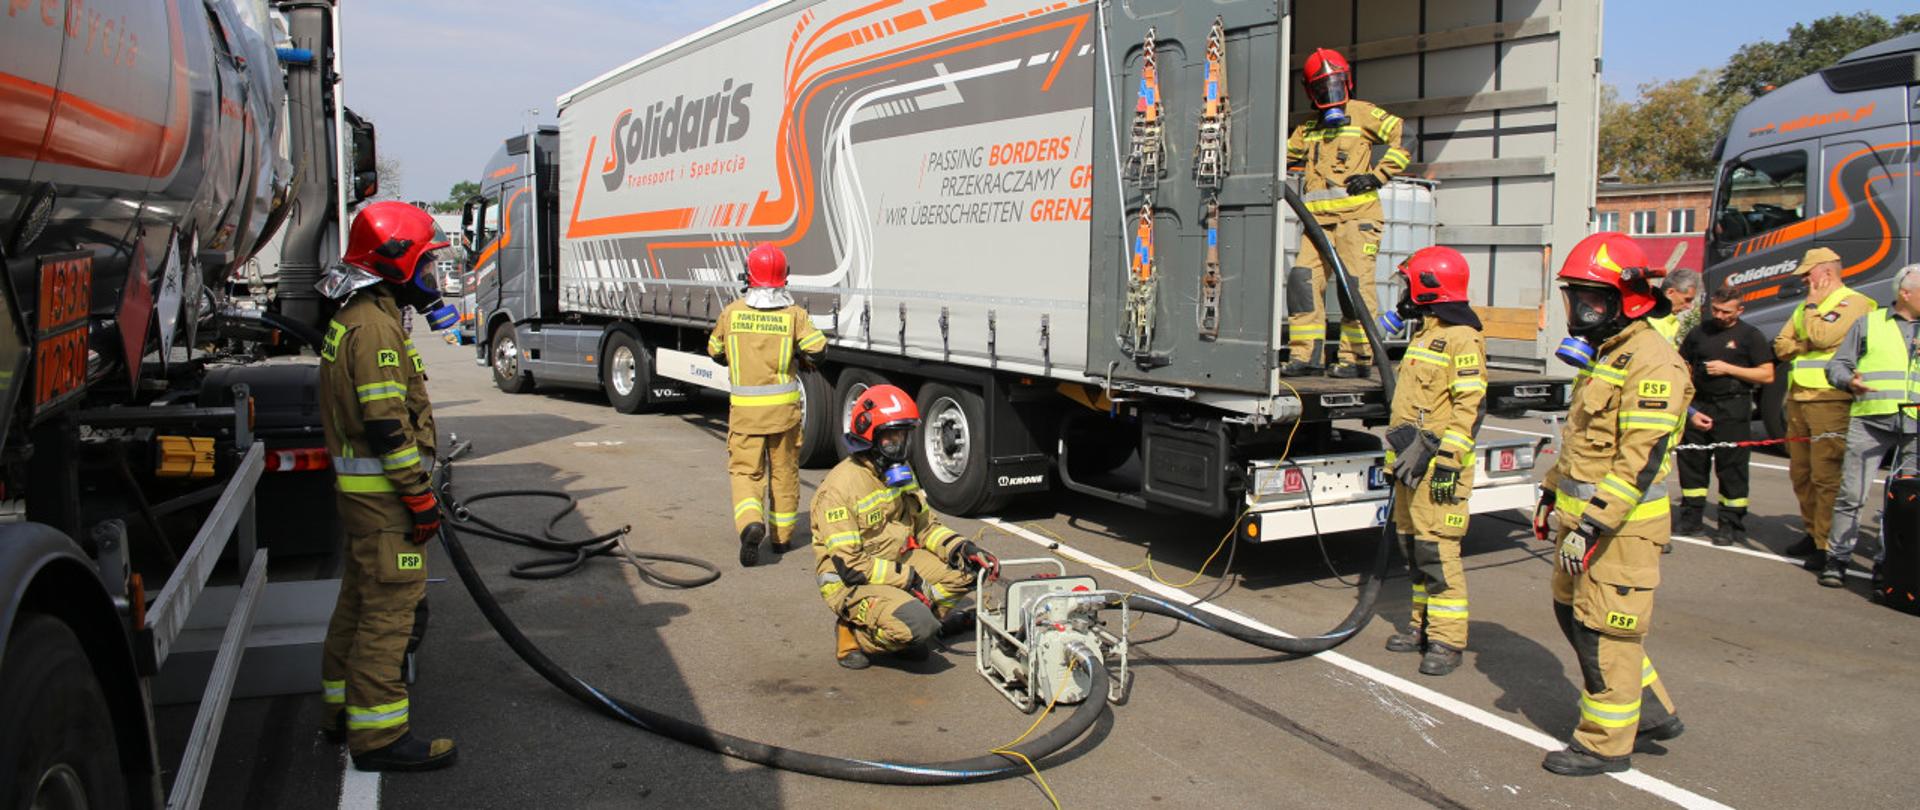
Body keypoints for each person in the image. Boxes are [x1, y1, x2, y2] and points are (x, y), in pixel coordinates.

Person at [1532, 232, 1690, 777]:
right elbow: (1582, 442)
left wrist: (1594, 524)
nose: (1580, 310)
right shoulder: (1608, 355)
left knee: (1606, 635)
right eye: (1575, 298)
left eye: (1592, 299)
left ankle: (1605, 744)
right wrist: (1552, 491)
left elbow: (1637, 461)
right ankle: (1650, 711)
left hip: (1619, 532)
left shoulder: (1653, 363)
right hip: (1581, 523)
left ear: (1630, 299)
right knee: (1572, 614)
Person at [317, 201, 463, 771]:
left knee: (355, 605)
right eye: (424, 264)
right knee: (388, 616)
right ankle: (378, 738)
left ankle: (338, 715)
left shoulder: (355, 316)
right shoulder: (375, 328)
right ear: (395, 263)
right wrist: (419, 495)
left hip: (364, 502)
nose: (430, 278)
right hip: (386, 503)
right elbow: (386, 426)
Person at [810, 384, 1000, 669]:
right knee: (917, 626)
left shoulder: (898, 472)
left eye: (904, 435)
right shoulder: (838, 490)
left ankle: (915, 627)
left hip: (895, 561)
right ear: (869, 437)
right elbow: (851, 565)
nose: (901, 445)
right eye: (892, 438)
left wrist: (962, 548)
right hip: (852, 582)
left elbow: (925, 527)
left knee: (969, 573)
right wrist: (909, 579)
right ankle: (855, 634)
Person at [1378, 246, 1486, 677]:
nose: (1404, 291)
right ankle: (1420, 626)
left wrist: (1448, 460)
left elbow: (1470, 406)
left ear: (1428, 287)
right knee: (1414, 548)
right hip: (1410, 464)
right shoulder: (1426, 332)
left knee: (1438, 553)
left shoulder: (1462, 338)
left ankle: (1446, 639)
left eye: (1408, 283)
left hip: (1438, 467)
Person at [1281, 47, 1412, 379]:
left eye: (1335, 84)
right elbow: (1277, 154)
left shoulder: (1363, 114)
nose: (1331, 93)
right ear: (1312, 91)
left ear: (1347, 82)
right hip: (1317, 225)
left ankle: (1357, 359)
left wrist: (1378, 175)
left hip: (1357, 219)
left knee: (1353, 287)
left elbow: (1405, 135)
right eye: (1323, 87)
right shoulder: (1308, 130)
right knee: (1302, 281)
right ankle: (1306, 356)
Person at [707, 245, 828, 567]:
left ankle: (750, 523)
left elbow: (714, 350)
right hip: (784, 415)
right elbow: (818, 351)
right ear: (784, 277)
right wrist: (799, 357)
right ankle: (781, 538)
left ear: (749, 276)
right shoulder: (794, 316)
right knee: (785, 473)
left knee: (746, 472)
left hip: (745, 414)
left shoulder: (731, 312)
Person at [1772, 247, 1874, 570]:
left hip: (1830, 400)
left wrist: (1812, 317)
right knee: (1801, 473)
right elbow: (1781, 344)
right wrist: (1808, 342)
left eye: (1808, 273)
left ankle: (1827, 544)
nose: (1804, 279)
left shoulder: (1854, 302)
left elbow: (1824, 333)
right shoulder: (1808, 305)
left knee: (1826, 475)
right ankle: (1811, 530)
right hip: (1800, 399)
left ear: (1826, 273)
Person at [1823, 264, 1920, 588]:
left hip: (1915, 427)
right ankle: (1837, 560)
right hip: (1871, 421)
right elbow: (1837, 364)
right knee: (1852, 494)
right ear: (1905, 294)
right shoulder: (1870, 323)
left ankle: (1889, 564)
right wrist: (1849, 381)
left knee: (1904, 502)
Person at [1675, 287, 1774, 545]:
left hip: (1733, 406)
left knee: (1732, 468)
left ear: (1740, 310)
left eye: (1726, 312)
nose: (1719, 315)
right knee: (1692, 463)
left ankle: (1730, 524)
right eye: (1716, 309)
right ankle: (1691, 517)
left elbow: (1767, 374)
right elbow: (1682, 363)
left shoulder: (1750, 336)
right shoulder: (1699, 332)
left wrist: (1728, 368)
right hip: (1699, 405)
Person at [1648, 268, 1700, 345]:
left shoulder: (1674, 323)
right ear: (1670, 292)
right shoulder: (1650, 322)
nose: (1689, 306)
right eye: (1687, 300)